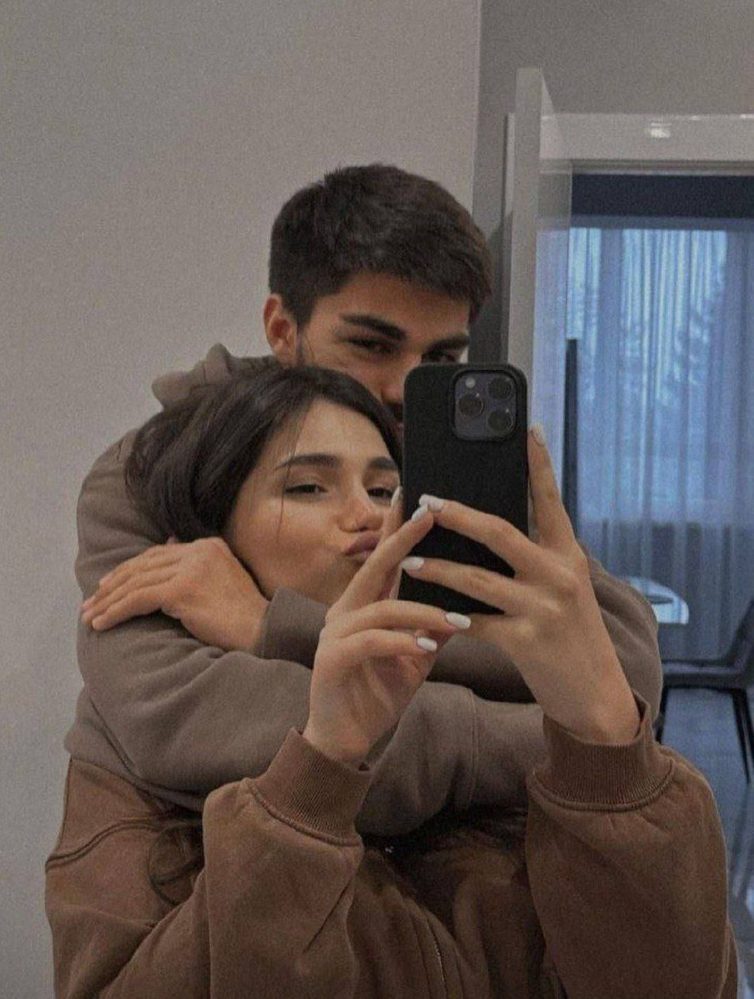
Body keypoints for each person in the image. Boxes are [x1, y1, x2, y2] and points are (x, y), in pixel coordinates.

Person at [45, 365, 737, 998]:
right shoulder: (136, 759)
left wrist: (608, 756)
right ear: (212, 540)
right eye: (306, 486)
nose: (370, 516)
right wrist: (317, 776)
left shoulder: (531, 708)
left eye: (385, 490)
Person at [67, 163, 663, 831]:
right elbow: (182, 723)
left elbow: (622, 675)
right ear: (282, 327)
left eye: (440, 358)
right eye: (372, 344)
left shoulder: (456, 466)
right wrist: (545, 743)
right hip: (206, 877)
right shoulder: (152, 469)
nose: (406, 388)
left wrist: (271, 626)